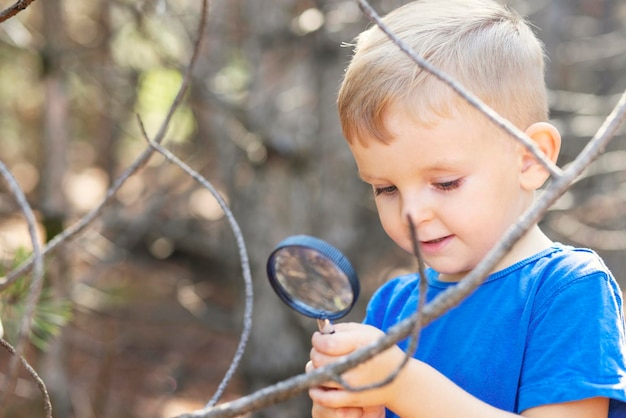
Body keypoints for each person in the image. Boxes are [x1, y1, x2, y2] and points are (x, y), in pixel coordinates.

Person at [305, 0, 626, 417]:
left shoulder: (566, 290)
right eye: (385, 188)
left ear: (531, 159)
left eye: (445, 183)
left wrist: (401, 383)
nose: (412, 213)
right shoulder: (392, 308)